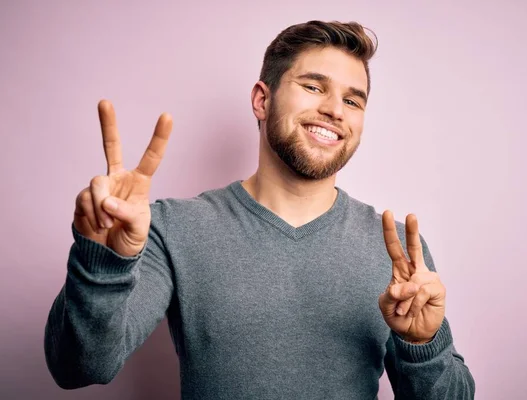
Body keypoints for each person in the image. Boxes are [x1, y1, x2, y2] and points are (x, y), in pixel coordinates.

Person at [44, 20, 475, 399]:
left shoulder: (399, 250)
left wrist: (425, 345)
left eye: (353, 100)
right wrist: (101, 263)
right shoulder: (171, 228)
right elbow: (79, 368)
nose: (333, 110)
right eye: (313, 86)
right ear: (261, 101)